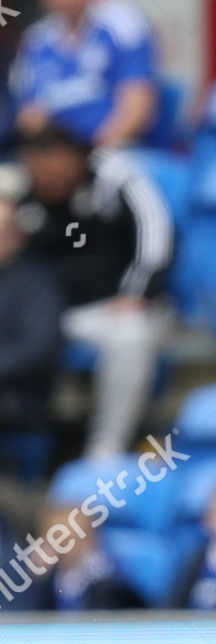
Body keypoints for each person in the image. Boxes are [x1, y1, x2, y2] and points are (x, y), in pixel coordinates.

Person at [17, 122, 171, 458]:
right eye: (42, 175)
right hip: (51, 313)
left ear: (74, 158)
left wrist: (139, 292)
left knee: (131, 336)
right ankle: (26, 442)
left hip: (112, 308)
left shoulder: (114, 175)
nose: (50, 182)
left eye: (57, 172)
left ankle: (106, 448)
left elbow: (155, 232)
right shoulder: (24, 194)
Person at [11, 0, 158, 148]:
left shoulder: (121, 24)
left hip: (118, 148)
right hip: (59, 152)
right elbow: (28, 117)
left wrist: (93, 155)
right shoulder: (36, 40)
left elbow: (138, 108)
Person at [0, 189, 65, 466]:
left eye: (4, 230)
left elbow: (39, 349)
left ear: (19, 235)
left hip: (16, 398)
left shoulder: (39, 282)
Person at [1, 502, 143, 611]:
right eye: (51, 540)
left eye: (65, 540)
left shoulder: (108, 579)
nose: (58, 548)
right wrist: (34, 578)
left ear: (89, 538)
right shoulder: (44, 578)